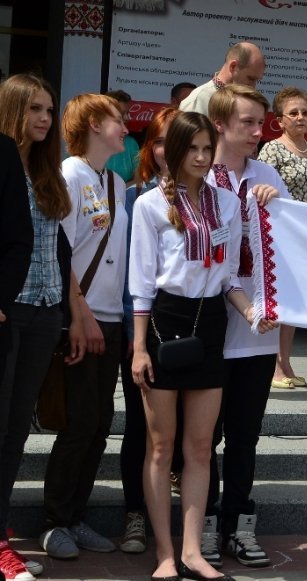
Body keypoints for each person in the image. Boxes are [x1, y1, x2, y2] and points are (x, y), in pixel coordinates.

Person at [129, 110, 274, 581]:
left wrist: (252, 313)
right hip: (164, 321)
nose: (200, 156)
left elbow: (230, 277)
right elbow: (142, 284)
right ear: (173, 151)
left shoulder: (228, 204)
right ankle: (164, 553)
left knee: (198, 447)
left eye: (207, 149)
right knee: (160, 447)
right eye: (191, 148)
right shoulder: (150, 205)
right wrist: (138, 347)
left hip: (211, 323)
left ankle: (193, 552)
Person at [199, 83, 287, 570]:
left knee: (245, 435)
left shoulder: (267, 174)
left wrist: (276, 208)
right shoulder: (201, 175)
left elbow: (294, 244)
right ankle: (205, 521)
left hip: (258, 331)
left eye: (260, 123)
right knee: (205, 437)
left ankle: (238, 521)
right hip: (213, 328)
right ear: (220, 125)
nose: (258, 132)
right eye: (247, 123)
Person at [40, 93, 130, 561]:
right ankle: (55, 521)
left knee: (98, 425)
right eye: (117, 119)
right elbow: (61, 253)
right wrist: (80, 317)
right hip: (81, 319)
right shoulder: (70, 175)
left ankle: (76, 515)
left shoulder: (115, 181)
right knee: (78, 423)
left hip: (112, 319)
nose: (126, 126)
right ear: (94, 124)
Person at [118, 106, 180, 556]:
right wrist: (134, 336)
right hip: (142, 329)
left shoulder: (209, 197)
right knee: (140, 428)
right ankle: (135, 514)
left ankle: (186, 524)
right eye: (158, 142)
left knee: (190, 433)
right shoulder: (134, 197)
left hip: (190, 329)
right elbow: (130, 272)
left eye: (173, 141)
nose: (165, 150)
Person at [0, 74, 50, 581]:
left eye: (49, 110)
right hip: (7, 309)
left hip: (44, 310)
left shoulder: (45, 168)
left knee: (17, 430)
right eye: (35, 108)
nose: (44, 118)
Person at [258, 86, 307, 390]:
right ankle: (272, 365)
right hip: (280, 234)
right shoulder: (272, 150)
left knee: (296, 302)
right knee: (279, 299)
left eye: (305, 112)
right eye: (293, 113)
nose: (300, 118)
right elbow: (261, 190)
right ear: (280, 120)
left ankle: (285, 360)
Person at [179, 42, 266, 116]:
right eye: (250, 79)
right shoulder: (200, 100)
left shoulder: (245, 101)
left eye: (256, 80)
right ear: (233, 66)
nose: (253, 87)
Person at [104, 90, 141, 184]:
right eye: (122, 114)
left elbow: (138, 180)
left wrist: (117, 190)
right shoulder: (90, 142)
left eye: (128, 113)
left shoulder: (131, 144)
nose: (127, 118)